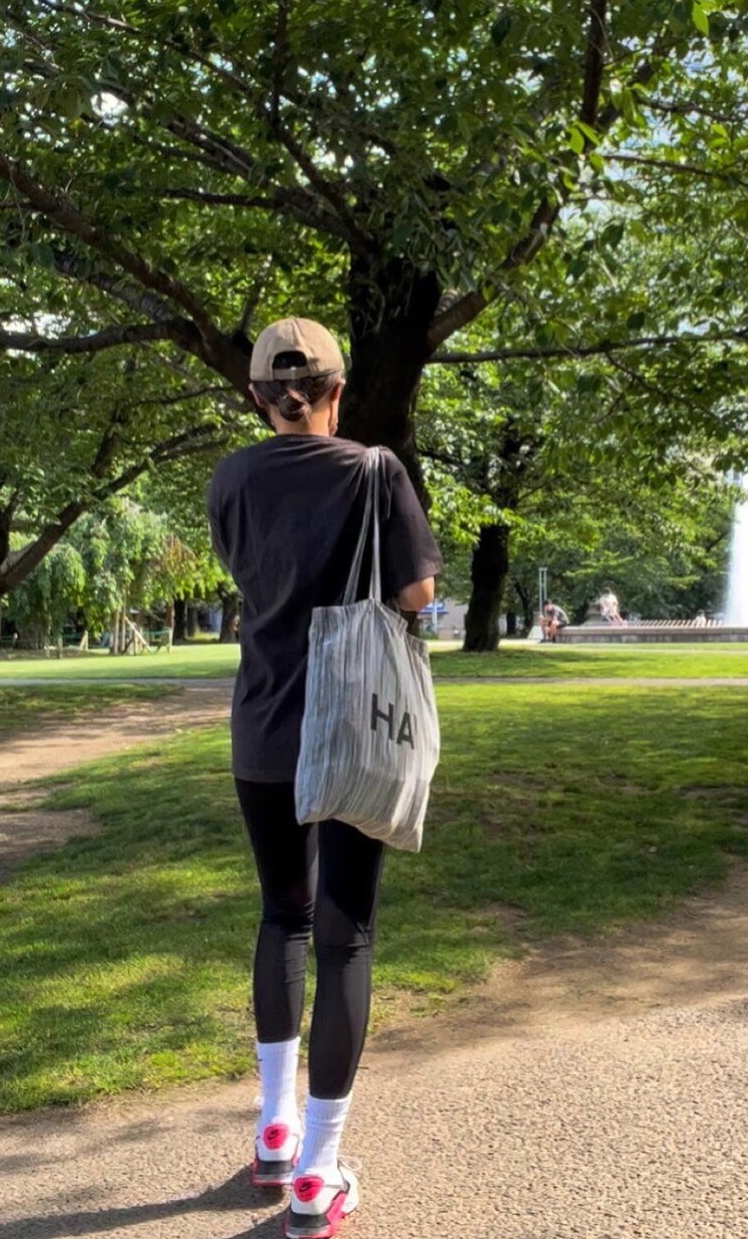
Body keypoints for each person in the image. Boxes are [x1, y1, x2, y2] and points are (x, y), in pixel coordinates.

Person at [207, 318, 442, 1239]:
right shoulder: (375, 471)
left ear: (259, 398)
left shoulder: (230, 479)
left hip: (263, 727)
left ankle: (274, 1128)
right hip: (352, 728)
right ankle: (317, 1170)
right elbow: (417, 595)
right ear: (337, 392)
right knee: (345, 938)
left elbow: (252, 575)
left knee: (282, 915)